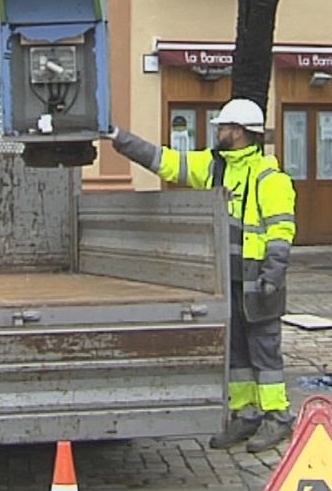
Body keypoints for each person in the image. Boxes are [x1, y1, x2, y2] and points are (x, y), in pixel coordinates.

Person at [109, 98, 297, 453]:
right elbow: (166, 162)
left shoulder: (270, 177)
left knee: (265, 353)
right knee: (237, 353)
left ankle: (278, 416)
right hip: (228, 279)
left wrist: (273, 275)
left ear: (239, 133)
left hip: (258, 280)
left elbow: (281, 231)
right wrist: (119, 137)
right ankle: (247, 413)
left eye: (223, 127)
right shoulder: (215, 167)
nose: (217, 131)